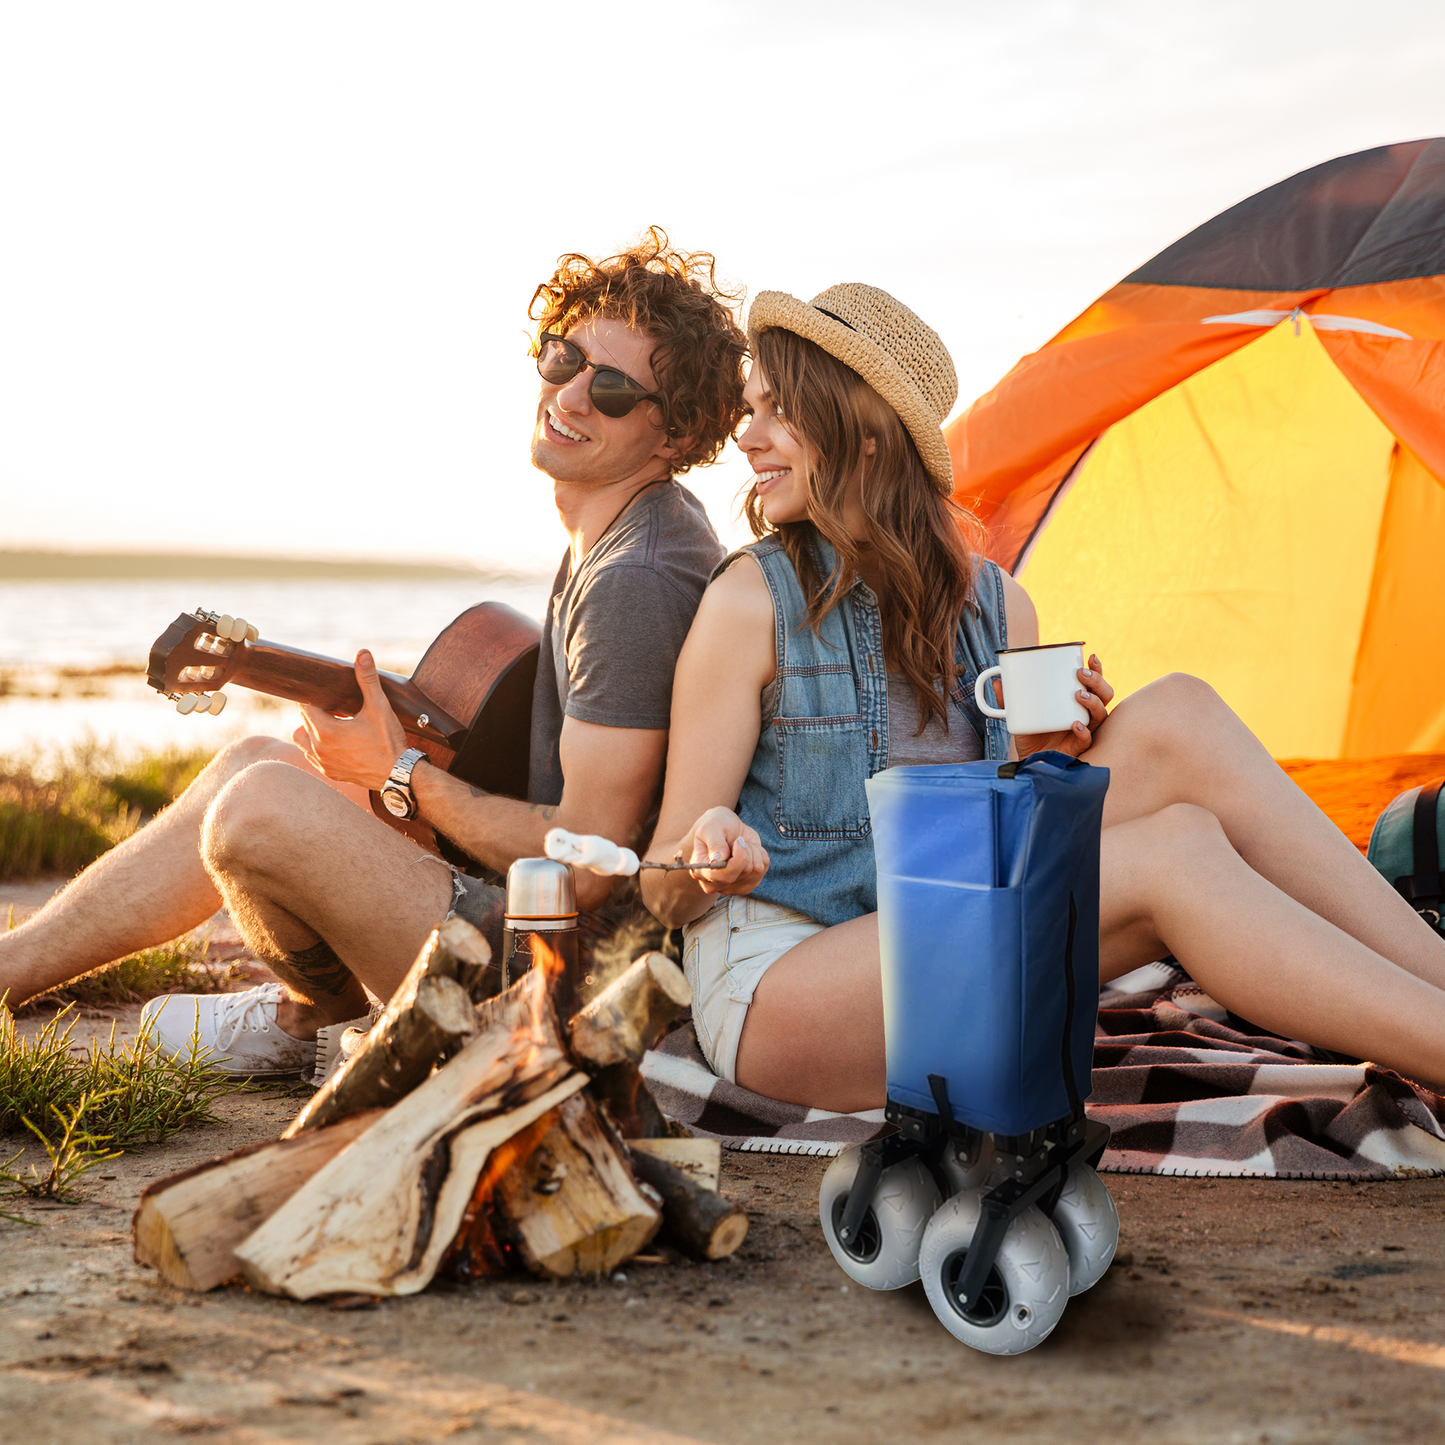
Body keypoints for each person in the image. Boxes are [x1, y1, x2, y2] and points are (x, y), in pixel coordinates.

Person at [640, 282, 1445, 1114]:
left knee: (1178, 714)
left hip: (942, 928)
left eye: (776, 409)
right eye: (749, 408)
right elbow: (659, 884)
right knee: (1171, 852)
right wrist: (706, 855)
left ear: (864, 429)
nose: (748, 434)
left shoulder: (997, 604)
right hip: (787, 990)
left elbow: (1018, 826)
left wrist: (1053, 756)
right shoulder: (750, 603)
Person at [0, 229, 746, 1079]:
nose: (570, 396)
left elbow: (585, 870)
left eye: (611, 388)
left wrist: (403, 775)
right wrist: (396, 772)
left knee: (258, 809)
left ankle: (315, 1021)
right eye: (562, 357)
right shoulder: (617, 532)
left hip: (571, 984)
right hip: (533, 925)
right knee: (258, 757)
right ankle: (11, 973)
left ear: (674, 433)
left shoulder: (636, 578)